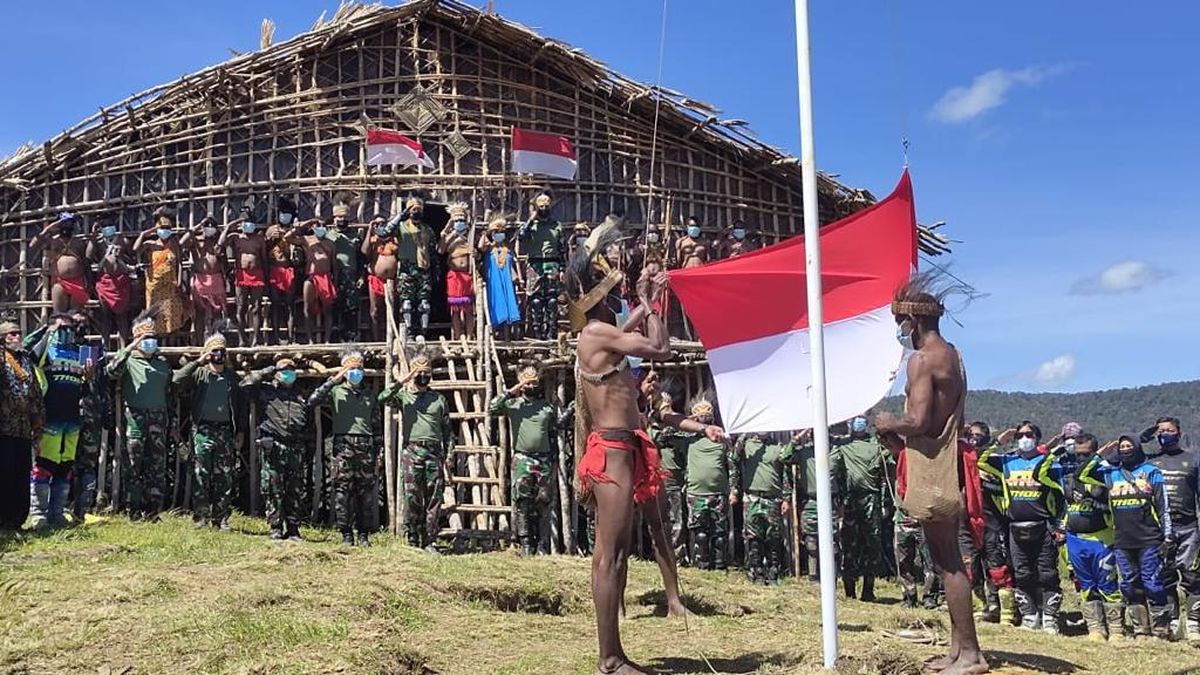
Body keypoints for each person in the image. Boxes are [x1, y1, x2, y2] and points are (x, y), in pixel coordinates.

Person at [567, 220, 719, 674]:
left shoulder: (602, 333)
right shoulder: (595, 335)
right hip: (613, 450)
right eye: (613, 290)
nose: (619, 298)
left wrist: (646, 297)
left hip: (622, 447)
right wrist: (648, 299)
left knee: (616, 550)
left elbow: (635, 325)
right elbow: (660, 344)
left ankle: (615, 654)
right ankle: (610, 659)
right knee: (610, 554)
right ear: (600, 295)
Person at [874, 275, 987, 675]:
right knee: (945, 560)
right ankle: (957, 651)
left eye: (900, 324)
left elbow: (920, 420)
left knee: (948, 561)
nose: (900, 332)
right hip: (945, 461)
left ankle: (970, 654)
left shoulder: (922, 360)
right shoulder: (953, 354)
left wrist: (889, 421)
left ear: (914, 323)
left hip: (934, 468)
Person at [1079, 435, 1173, 639]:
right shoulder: (1111, 474)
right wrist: (1100, 455)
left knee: (1153, 583)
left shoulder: (1151, 472)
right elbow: (1083, 474)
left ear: (1138, 448)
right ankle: (1141, 630)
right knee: (1129, 585)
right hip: (1122, 539)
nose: (1126, 449)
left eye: (1130, 446)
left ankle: (1161, 629)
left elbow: (1163, 507)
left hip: (1149, 538)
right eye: (1122, 447)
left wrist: (1168, 538)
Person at [977, 421, 1065, 633]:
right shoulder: (1007, 462)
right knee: (1022, 572)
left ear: (1037, 437)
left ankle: (1050, 617)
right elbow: (980, 460)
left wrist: (1061, 526)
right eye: (1020, 435)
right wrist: (998, 441)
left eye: (1029, 434)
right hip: (1014, 527)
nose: (1024, 438)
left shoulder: (1049, 464)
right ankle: (1029, 615)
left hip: (1043, 526)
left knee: (1047, 573)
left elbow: (1061, 497)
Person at [379, 353, 454, 550]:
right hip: (412, 451)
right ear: (412, 374)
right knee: (412, 497)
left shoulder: (438, 399)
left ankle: (430, 540)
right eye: (419, 372)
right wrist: (401, 381)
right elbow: (383, 398)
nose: (423, 375)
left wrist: (449, 456)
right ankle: (412, 539)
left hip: (434, 452)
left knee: (434, 498)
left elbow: (448, 430)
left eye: (426, 372)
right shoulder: (404, 396)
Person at [106, 307, 174, 519]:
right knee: (133, 465)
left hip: (159, 419)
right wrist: (129, 348)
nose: (151, 341)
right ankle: (133, 509)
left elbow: (169, 393)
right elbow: (111, 371)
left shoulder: (163, 365)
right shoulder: (129, 362)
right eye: (146, 338)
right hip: (135, 418)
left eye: (153, 337)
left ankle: (152, 511)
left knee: (157, 466)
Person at [308, 350, 381, 546]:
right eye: (352, 369)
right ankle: (346, 534)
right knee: (342, 491)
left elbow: (376, 425)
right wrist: (335, 378)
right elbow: (313, 400)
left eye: (359, 369)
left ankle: (364, 534)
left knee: (365, 493)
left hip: (366, 445)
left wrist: (378, 451)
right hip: (343, 445)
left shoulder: (370, 395)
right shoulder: (335, 391)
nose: (356, 372)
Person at [173, 330, 242, 529]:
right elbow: (177, 379)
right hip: (203, 430)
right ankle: (201, 517)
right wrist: (199, 360)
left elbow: (241, 405)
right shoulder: (200, 373)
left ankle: (221, 518)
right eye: (215, 351)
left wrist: (241, 431)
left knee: (225, 476)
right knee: (200, 474)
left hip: (225, 430)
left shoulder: (231, 378)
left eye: (222, 351)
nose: (219, 355)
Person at [27, 314, 88, 529]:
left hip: (72, 418)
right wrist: (48, 332)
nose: (67, 332)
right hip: (50, 415)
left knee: (65, 466)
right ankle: (38, 513)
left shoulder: (79, 352)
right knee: (44, 464)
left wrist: (89, 375)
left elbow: (87, 386)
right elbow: (29, 356)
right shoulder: (46, 350)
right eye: (63, 328)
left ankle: (57, 512)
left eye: (70, 328)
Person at [1060, 432, 1123, 641]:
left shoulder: (1104, 474)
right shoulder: (1068, 477)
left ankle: (1116, 629)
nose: (1081, 459)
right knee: (1085, 584)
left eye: (1086, 454)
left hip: (1102, 538)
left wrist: (1092, 499)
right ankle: (1095, 628)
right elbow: (1039, 473)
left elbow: (1109, 503)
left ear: (1094, 453)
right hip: (1076, 538)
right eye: (1077, 454)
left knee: (1108, 583)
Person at [489, 364, 557, 556]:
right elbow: (493, 408)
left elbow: (556, 428)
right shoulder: (513, 405)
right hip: (522, 459)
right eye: (527, 383)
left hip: (543, 460)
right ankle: (525, 543)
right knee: (522, 502)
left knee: (543, 501)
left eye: (534, 382)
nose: (531, 386)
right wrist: (514, 390)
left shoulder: (546, 407)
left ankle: (542, 544)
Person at [1144, 416, 1200, 640]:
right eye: (1161, 430)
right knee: (1165, 577)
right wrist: (1145, 434)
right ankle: (1172, 622)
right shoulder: (1150, 461)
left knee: (1193, 576)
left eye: (1169, 430)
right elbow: (1119, 455)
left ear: (1178, 432)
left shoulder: (1193, 460)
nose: (1165, 433)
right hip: (1159, 530)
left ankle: (1195, 624)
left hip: (1188, 527)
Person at [241, 358, 310, 540]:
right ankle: (276, 527)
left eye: (291, 370)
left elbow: (309, 422)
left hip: (295, 446)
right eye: (284, 370)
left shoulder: (300, 394)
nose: (289, 373)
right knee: (273, 488)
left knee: (295, 489)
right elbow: (246, 383)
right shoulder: (265, 391)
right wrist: (270, 369)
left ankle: (294, 529)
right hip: (274, 445)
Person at [681, 398, 738, 571]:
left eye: (707, 415)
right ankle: (702, 566)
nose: (704, 418)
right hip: (696, 493)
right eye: (701, 416)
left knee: (720, 534)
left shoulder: (721, 439)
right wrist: (691, 423)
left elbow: (733, 466)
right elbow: (665, 433)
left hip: (718, 494)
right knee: (700, 533)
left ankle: (720, 567)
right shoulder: (687, 439)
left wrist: (733, 490)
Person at [968, 422, 1016, 624]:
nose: (974, 439)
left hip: (993, 521)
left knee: (997, 566)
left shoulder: (995, 461)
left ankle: (1006, 611)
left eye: (979, 436)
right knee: (971, 567)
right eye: (971, 435)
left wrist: (983, 483)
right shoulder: (964, 459)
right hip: (968, 522)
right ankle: (982, 606)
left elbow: (1003, 487)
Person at [839, 414, 888, 601]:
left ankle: (868, 590)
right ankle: (850, 591)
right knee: (851, 545)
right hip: (851, 500)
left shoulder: (876, 446)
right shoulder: (843, 447)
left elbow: (885, 473)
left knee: (871, 545)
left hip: (871, 499)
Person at [0, 321, 44, 530]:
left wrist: (38, 427)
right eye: (11, 334)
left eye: (18, 334)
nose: (16, 337)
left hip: (23, 428)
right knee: (5, 473)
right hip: (4, 428)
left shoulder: (25, 360)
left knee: (20, 474)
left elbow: (34, 392)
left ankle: (17, 520)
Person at [734, 431, 794, 584]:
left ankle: (773, 571)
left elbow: (786, 472)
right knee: (754, 537)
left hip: (772, 498)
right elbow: (733, 457)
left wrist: (787, 498)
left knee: (773, 536)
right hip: (752, 496)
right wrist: (744, 433)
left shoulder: (778, 446)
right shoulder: (747, 445)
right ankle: (757, 571)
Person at [73, 310, 112, 520]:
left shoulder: (95, 352)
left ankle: (83, 509)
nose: (80, 328)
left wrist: (106, 413)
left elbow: (103, 386)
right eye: (76, 324)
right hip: (67, 416)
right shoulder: (61, 351)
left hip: (91, 416)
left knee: (88, 464)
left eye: (84, 324)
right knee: (63, 464)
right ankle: (60, 508)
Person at [377, 197, 435, 336]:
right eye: (413, 209)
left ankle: (422, 333)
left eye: (419, 209)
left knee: (424, 304)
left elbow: (432, 251)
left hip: (423, 269)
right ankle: (409, 332)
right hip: (406, 269)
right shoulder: (401, 227)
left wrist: (434, 270)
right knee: (407, 304)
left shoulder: (427, 230)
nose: (416, 211)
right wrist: (398, 217)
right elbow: (383, 233)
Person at [795, 428, 843, 581]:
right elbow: (785, 455)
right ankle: (813, 576)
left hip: (831, 502)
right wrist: (798, 437)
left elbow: (843, 475)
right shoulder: (804, 452)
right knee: (811, 543)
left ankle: (833, 577)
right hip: (811, 502)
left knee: (832, 542)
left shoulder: (836, 452)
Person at [893, 447, 939, 608]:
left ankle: (929, 596)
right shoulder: (902, 459)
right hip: (903, 519)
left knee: (930, 561)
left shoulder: (930, 465)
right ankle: (909, 596)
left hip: (924, 520)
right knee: (903, 561)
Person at [133, 207, 189, 338]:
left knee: (172, 316)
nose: (165, 231)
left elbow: (179, 262)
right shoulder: (150, 244)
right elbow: (135, 248)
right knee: (154, 316)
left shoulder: (173, 244)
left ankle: (172, 345)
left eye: (167, 228)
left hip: (171, 287)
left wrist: (179, 280)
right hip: (154, 286)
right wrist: (145, 233)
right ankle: (155, 343)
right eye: (162, 228)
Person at [519, 190, 565, 341]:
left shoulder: (557, 226)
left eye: (546, 206)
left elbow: (562, 249)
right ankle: (537, 333)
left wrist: (563, 269)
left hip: (552, 264)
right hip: (534, 265)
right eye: (541, 206)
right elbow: (520, 236)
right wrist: (531, 220)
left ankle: (551, 332)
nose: (544, 209)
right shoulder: (531, 226)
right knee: (536, 301)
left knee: (552, 301)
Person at [182, 216, 236, 344]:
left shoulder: (218, 244)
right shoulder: (196, 242)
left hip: (216, 279)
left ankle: (216, 340)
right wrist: (199, 224)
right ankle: (200, 342)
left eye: (212, 227)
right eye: (207, 227)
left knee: (217, 311)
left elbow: (224, 262)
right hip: (201, 279)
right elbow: (182, 242)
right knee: (199, 313)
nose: (210, 229)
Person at [30, 211, 91, 313]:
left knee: (76, 314)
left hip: (77, 281)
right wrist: (48, 229)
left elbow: (85, 263)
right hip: (59, 282)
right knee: (59, 314)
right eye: (64, 223)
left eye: (69, 223)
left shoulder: (78, 242)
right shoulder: (52, 241)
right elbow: (33, 245)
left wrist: (89, 282)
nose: (66, 226)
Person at [88, 216, 135, 348]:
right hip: (105, 282)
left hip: (121, 282)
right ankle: (105, 346)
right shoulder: (98, 241)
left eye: (110, 225)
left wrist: (121, 252)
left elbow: (132, 254)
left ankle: (123, 346)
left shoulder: (121, 240)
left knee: (122, 317)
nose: (108, 228)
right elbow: (88, 256)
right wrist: (93, 237)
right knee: (105, 317)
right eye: (105, 226)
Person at [291, 216, 338, 344]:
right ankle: (310, 340)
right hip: (311, 277)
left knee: (328, 309)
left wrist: (336, 283)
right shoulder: (307, 240)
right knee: (308, 308)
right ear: (313, 227)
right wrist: (307, 222)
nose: (320, 228)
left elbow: (334, 265)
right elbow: (288, 238)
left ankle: (327, 340)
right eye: (317, 225)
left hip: (326, 277)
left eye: (323, 225)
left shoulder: (330, 244)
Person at [265, 198, 302, 345]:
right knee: (275, 304)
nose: (284, 216)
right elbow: (264, 249)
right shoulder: (271, 229)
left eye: (287, 213)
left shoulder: (295, 231)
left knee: (289, 304)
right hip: (275, 270)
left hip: (289, 270)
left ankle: (291, 337)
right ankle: (275, 336)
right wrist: (269, 239)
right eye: (282, 213)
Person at [230, 206, 267, 347]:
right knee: (240, 308)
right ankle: (241, 339)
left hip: (257, 273)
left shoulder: (259, 239)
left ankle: (256, 339)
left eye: (249, 221)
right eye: (245, 222)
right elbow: (220, 243)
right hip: (241, 274)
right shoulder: (236, 238)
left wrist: (267, 278)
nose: (248, 224)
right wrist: (232, 224)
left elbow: (264, 259)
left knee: (256, 307)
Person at [439, 203, 476, 341]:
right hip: (454, 276)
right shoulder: (449, 237)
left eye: (462, 220)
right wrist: (448, 232)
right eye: (457, 220)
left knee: (468, 308)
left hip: (467, 275)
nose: (459, 223)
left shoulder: (471, 237)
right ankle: (456, 336)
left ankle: (469, 336)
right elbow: (440, 250)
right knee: (455, 309)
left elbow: (478, 253)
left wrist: (475, 254)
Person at [328, 200, 363, 341]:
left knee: (352, 307)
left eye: (345, 217)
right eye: (339, 217)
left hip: (351, 275)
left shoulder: (355, 236)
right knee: (335, 305)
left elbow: (361, 259)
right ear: (334, 219)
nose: (342, 220)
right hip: (334, 275)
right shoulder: (328, 236)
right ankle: (335, 337)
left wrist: (361, 276)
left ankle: (352, 337)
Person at [480, 216, 521, 339]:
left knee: (508, 304)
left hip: (507, 281)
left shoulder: (508, 250)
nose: (499, 235)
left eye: (501, 233)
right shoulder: (488, 249)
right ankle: (497, 334)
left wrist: (516, 277)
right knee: (496, 304)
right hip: (494, 282)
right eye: (496, 233)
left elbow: (512, 265)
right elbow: (481, 246)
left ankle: (508, 336)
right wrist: (485, 234)